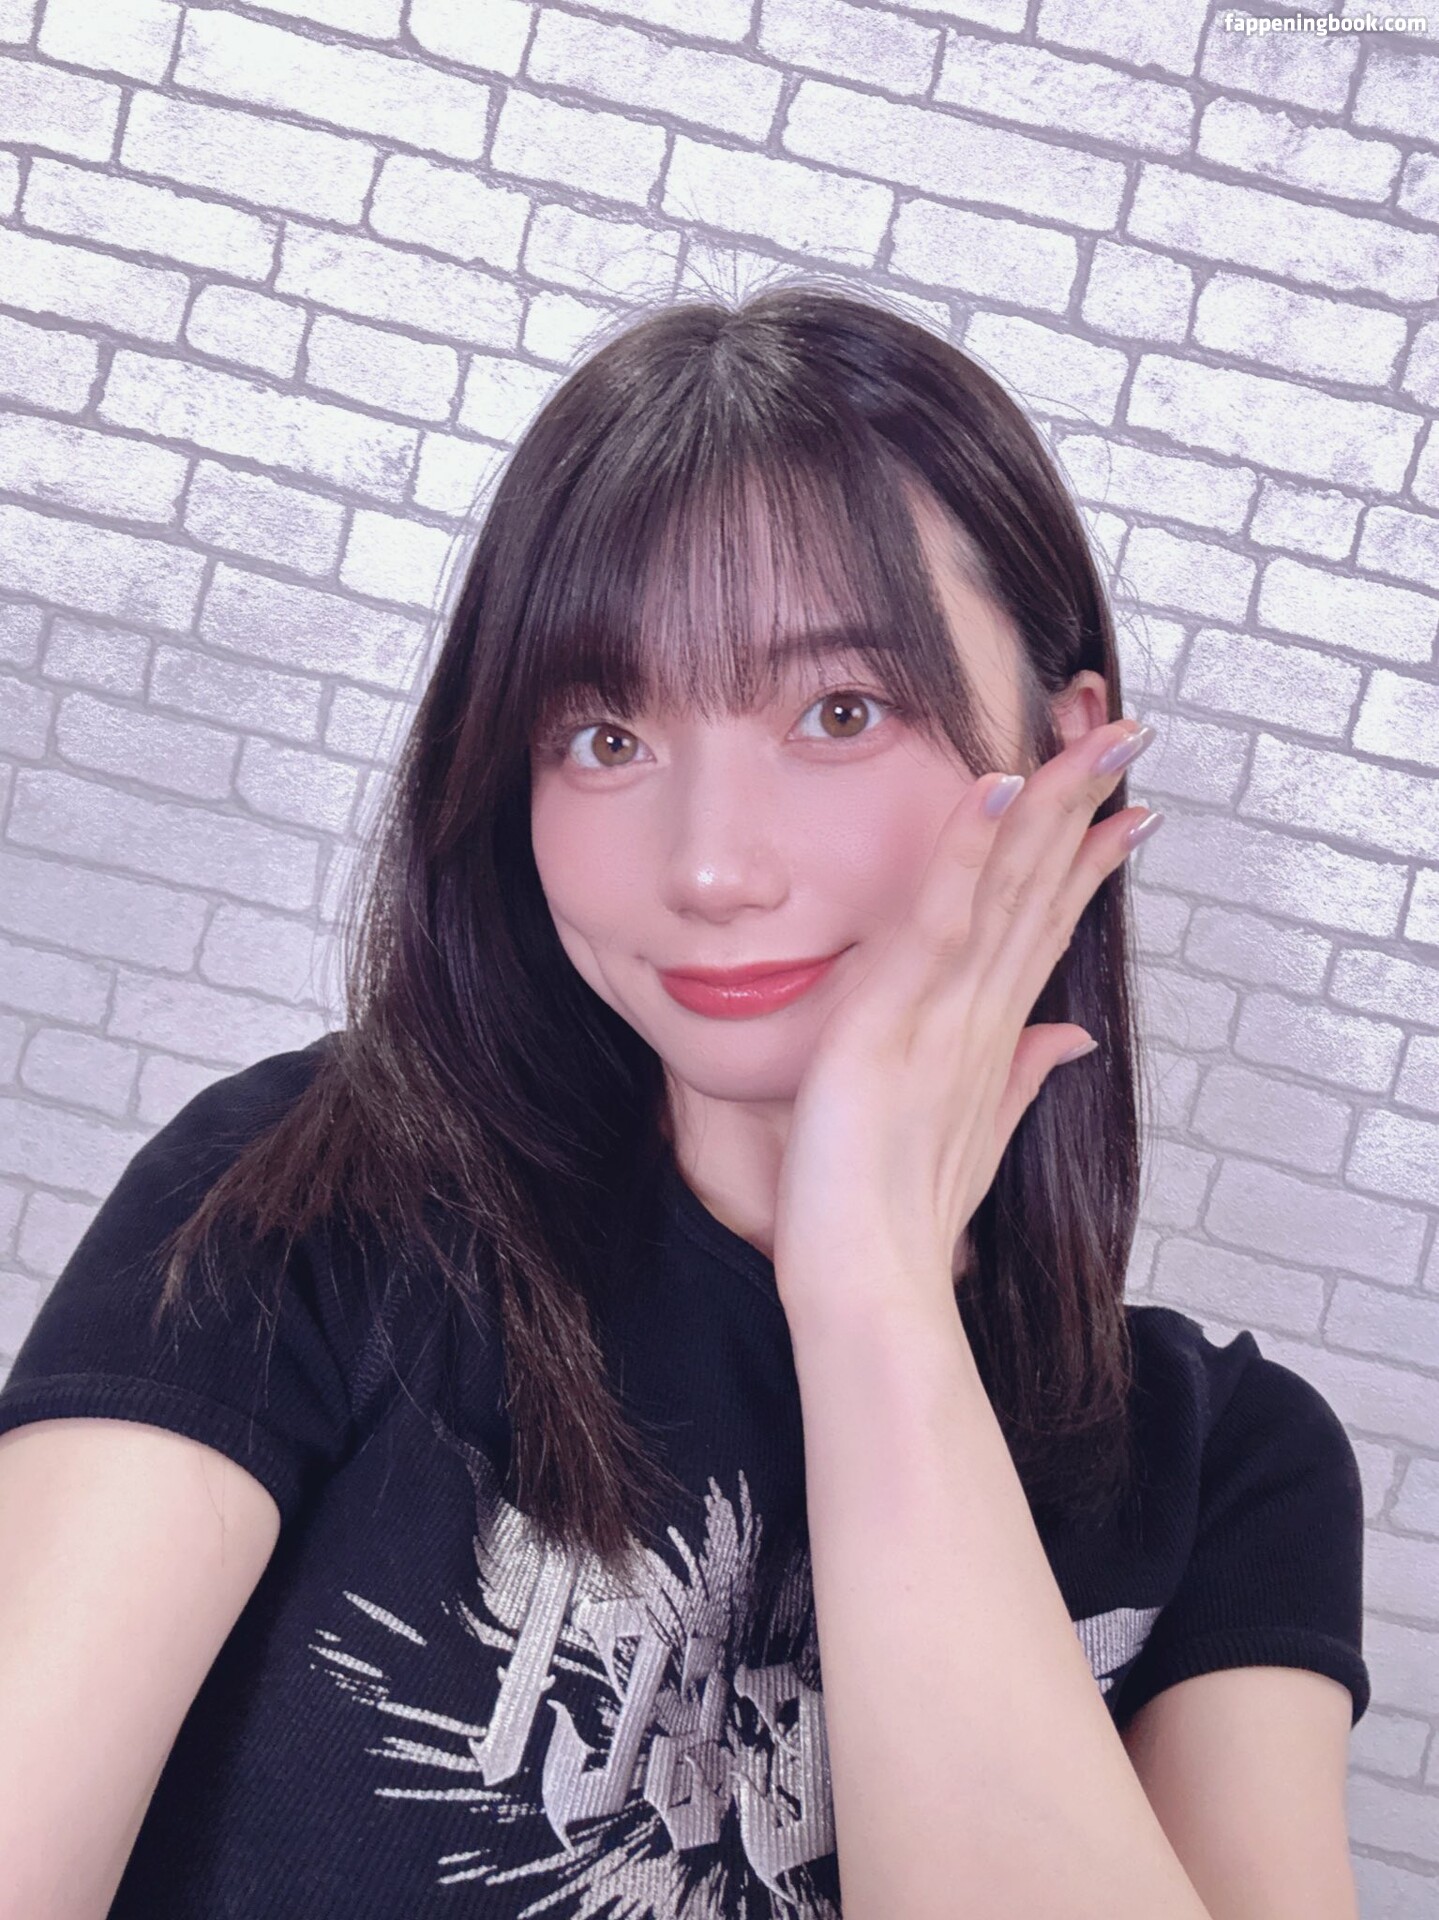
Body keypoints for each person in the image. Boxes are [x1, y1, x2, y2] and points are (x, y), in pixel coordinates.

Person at [0, 283, 1368, 1920]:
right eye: (602, 735)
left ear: (1066, 752)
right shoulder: (311, 1205)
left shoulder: (1227, 1474)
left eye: (840, 712)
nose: (710, 868)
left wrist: (870, 1292)